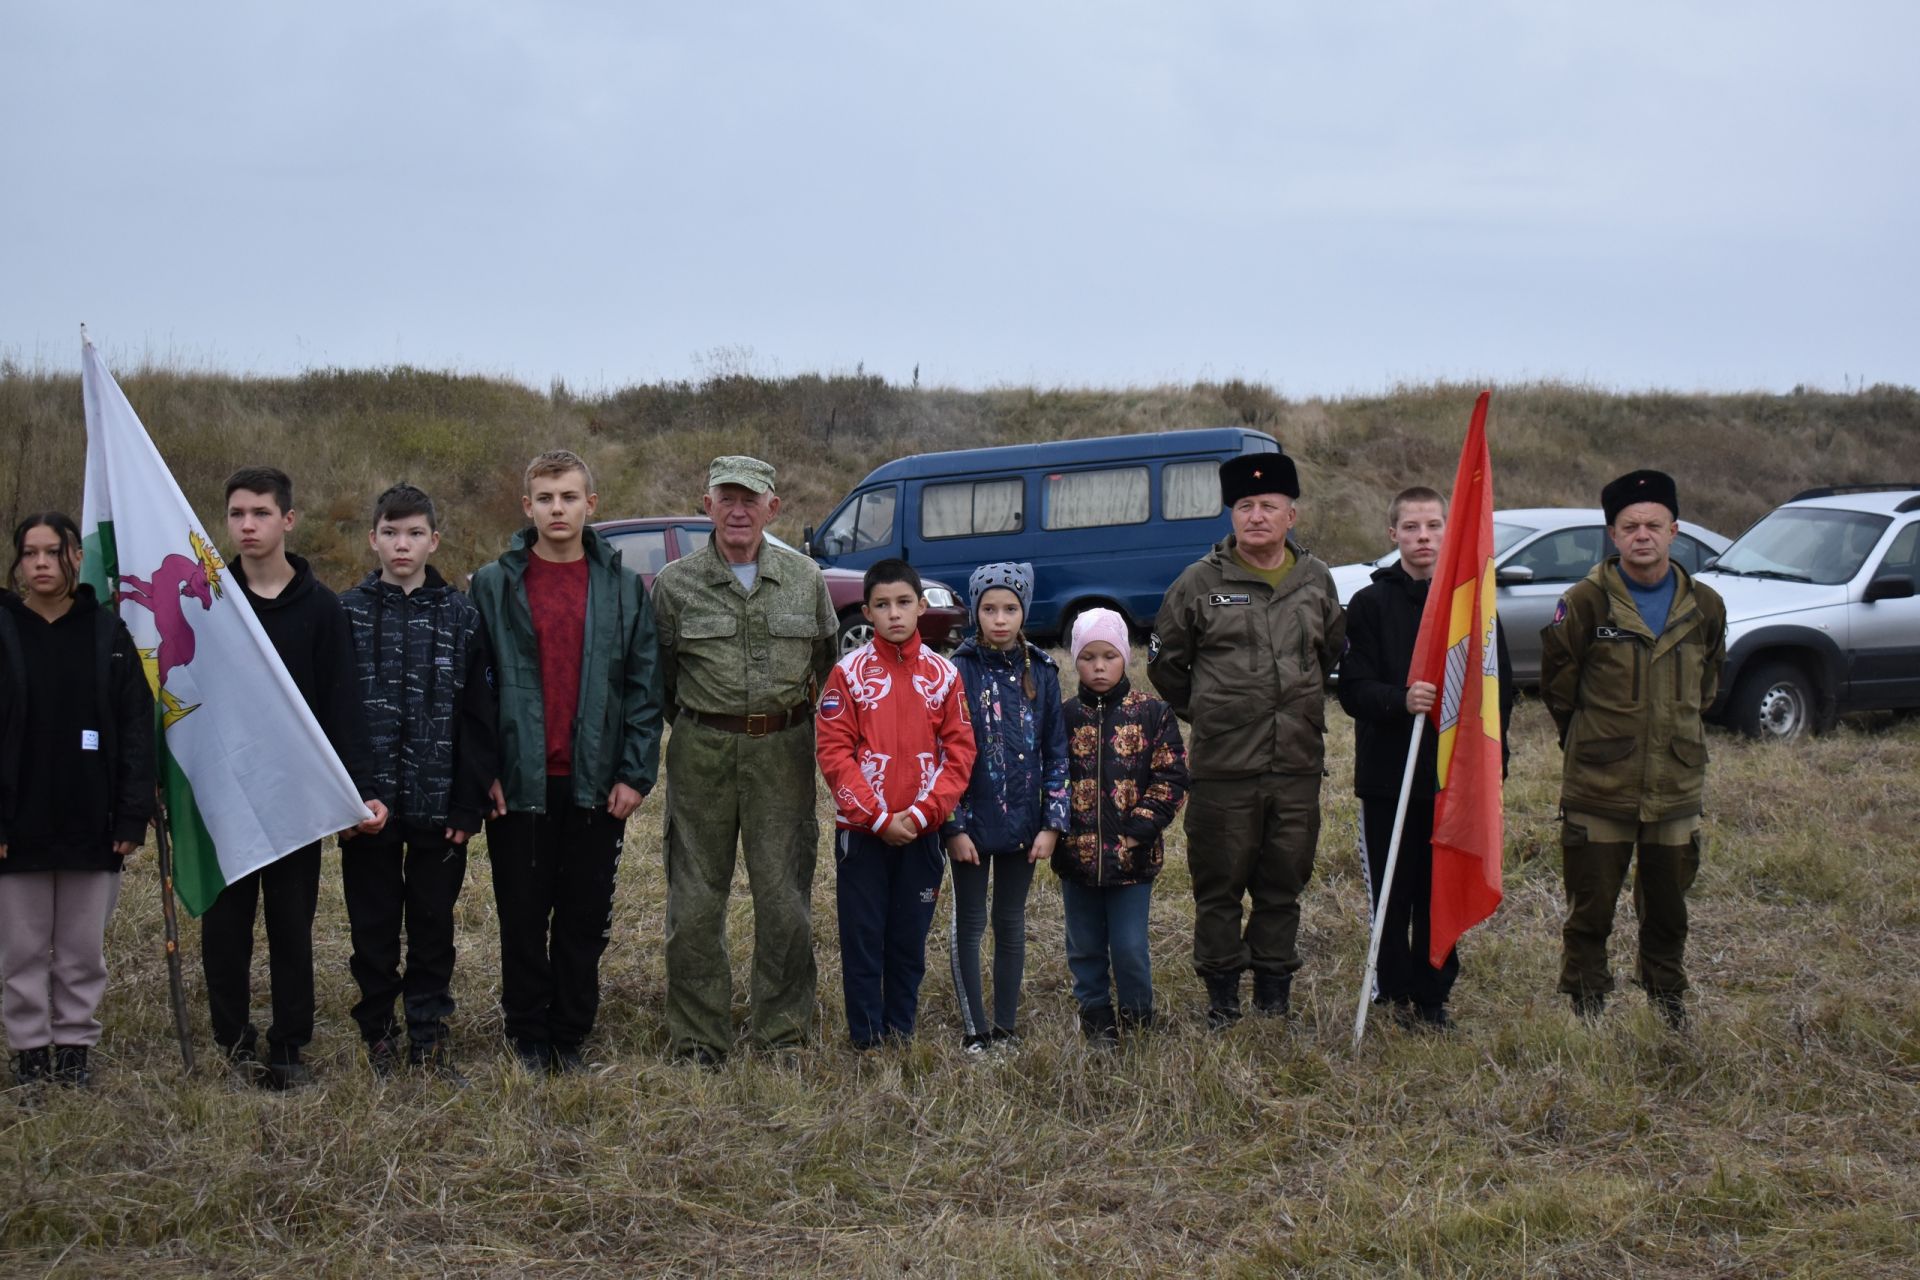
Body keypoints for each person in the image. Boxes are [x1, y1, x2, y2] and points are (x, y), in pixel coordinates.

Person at [469, 449, 663, 1074]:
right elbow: (473, 690)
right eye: (546, 498)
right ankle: (527, 1035)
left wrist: (635, 772)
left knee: (583, 918)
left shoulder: (621, 587)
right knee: (522, 916)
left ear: (590, 506)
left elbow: (643, 684)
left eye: (569, 497)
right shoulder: (492, 584)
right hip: (517, 784)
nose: (558, 508)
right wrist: (484, 772)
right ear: (527, 507)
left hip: (595, 784)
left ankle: (570, 1034)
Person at [649, 456, 838, 1068]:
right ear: (706, 505)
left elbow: (826, 664)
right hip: (701, 750)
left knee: (783, 897)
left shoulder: (806, 578)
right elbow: (661, 678)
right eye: (726, 497)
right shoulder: (675, 584)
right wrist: (707, 725)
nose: (738, 510)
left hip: (783, 752)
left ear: (772, 508)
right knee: (696, 900)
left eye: (750, 499)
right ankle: (700, 1037)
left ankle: (782, 1031)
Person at [1148, 451, 1345, 1028]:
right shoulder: (1199, 583)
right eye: (1244, 506)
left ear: (1292, 514)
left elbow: (1329, 652)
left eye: (1268, 506)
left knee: (1284, 881)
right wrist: (1214, 712)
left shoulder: (1316, 580)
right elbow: (1166, 664)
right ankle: (1222, 996)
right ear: (1231, 515)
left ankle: (1274, 989)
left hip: (1297, 763)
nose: (1256, 516)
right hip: (1224, 767)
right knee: (1220, 886)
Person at [206, 467, 386, 1089]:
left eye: (260, 513)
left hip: (294, 798)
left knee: (290, 927)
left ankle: (287, 1047)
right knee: (225, 928)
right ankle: (231, 1044)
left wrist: (360, 789)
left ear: (288, 520)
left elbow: (343, 706)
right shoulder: (209, 605)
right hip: (225, 798)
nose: (247, 525)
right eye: (236, 514)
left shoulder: (323, 609)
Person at [1540, 469, 1725, 1028]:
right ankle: (1586, 1004)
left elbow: (1707, 685)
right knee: (1590, 908)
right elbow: (1559, 690)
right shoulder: (1584, 605)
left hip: (1675, 784)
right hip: (1601, 785)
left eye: (1653, 525)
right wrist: (1600, 743)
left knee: (1668, 908)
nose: (1642, 535)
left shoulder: (1706, 606)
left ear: (1675, 530)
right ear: (1613, 536)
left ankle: (1667, 1001)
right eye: (1629, 527)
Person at [1337, 487, 1514, 1031]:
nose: (1423, 537)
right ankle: (1392, 993)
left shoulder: (1474, 603)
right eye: (1411, 528)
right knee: (1394, 893)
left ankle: (1433, 997)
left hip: (1451, 781)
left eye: (1434, 526)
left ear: (1449, 531)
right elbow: (1351, 688)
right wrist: (1399, 699)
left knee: (1440, 892)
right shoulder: (1369, 604)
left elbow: (1497, 691)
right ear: (1393, 534)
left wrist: (1493, 765)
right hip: (1389, 778)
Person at [338, 483, 498, 1082]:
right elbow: (330, 713)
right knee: (373, 927)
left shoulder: (462, 617)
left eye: (413, 534)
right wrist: (346, 798)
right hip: (367, 807)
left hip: (440, 808)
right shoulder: (346, 614)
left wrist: (467, 804)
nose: (400, 545)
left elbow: (479, 719)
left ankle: (428, 1033)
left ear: (433, 540)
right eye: (389, 532)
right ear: (372, 538)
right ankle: (377, 1032)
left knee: (433, 925)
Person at [0, 513, 154, 1090]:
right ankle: (30, 1048)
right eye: (30, 552)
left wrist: (132, 813)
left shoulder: (105, 631)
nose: (41, 563)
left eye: (53, 552)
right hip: (18, 822)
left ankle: (73, 1048)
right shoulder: (4, 627)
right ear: (18, 561)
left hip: (94, 820)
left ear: (74, 558)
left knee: (81, 950)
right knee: (21, 948)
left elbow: (135, 725)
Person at [815, 559, 976, 1049]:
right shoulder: (847, 674)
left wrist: (927, 814)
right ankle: (865, 1038)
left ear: (921, 607)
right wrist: (878, 817)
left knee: (908, 940)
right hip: (864, 835)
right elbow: (834, 752)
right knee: (863, 940)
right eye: (882, 605)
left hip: (923, 833)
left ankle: (900, 1032)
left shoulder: (945, 676)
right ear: (866, 611)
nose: (894, 614)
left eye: (904, 602)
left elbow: (960, 752)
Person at [941, 562, 1068, 1055]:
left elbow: (1057, 752)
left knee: (1010, 922)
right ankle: (975, 1031)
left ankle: (1006, 1028)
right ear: (975, 611)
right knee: (970, 922)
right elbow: (943, 753)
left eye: (1010, 609)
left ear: (1024, 611)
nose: (1000, 619)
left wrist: (1052, 824)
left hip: (1024, 825)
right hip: (970, 826)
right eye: (989, 609)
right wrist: (952, 826)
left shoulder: (1044, 671)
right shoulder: (956, 670)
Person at [1054, 607, 1187, 1046]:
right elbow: (1050, 776)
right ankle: (1095, 1013)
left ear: (1125, 657)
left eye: (1108, 656)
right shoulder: (1064, 716)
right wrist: (1057, 830)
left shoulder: (1153, 713)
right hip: (1077, 856)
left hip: (1132, 857)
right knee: (1085, 945)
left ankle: (1137, 1013)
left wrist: (1140, 828)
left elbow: (1171, 777)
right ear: (1076, 659)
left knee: (1129, 947)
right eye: (1088, 657)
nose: (1098, 666)